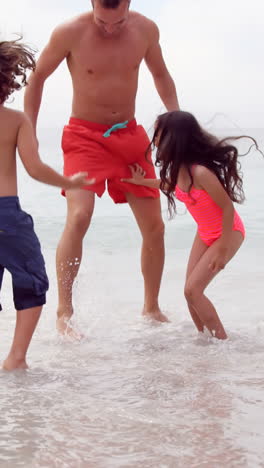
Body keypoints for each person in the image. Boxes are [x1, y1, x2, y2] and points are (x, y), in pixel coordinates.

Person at [24, 0, 180, 336]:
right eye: (103, 22)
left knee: (155, 226)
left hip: (129, 136)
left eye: (118, 22)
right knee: (79, 216)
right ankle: (64, 313)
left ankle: (151, 308)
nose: (110, 29)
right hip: (84, 138)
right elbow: (36, 79)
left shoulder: (146, 29)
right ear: (92, 4)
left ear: (129, 5)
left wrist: (177, 121)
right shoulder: (70, 32)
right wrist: (30, 134)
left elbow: (161, 75)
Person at [122, 110, 259, 339]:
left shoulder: (201, 172)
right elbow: (169, 184)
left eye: (157, 134)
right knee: (190, 294)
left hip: (228, 233)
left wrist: (223, 249)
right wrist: (140, 181)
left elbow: (227, 209)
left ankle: (222, 343)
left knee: (193, 290)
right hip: (205, 233)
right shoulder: (180, 169)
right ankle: (205, 341)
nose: (153, 139)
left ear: (173, 138)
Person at [0, 38, 94, 370]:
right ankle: (16, 358)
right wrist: (70, 182)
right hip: (5, 215)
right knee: (32, 280)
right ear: (8, 80)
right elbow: (35, 168)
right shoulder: (14, 120)